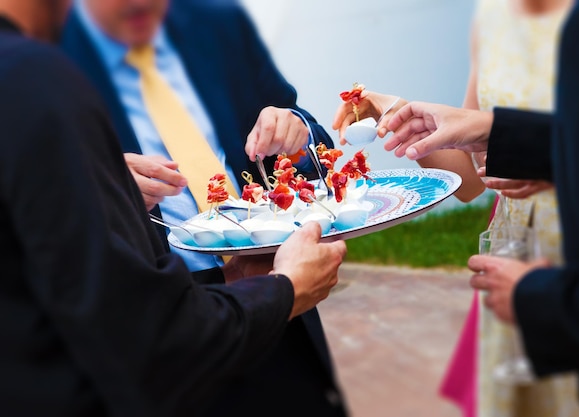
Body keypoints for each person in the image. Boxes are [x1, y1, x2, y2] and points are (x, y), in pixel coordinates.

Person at [0, 1, 348, 416]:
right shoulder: (42, 64)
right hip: (165, 337)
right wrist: (102, 180)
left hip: (270, 302)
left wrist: (298, 129)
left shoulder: (218, 23)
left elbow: (308, 136)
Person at [368, 0, 579, 415]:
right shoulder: (492, 16)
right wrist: (404, 120)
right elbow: (472, 179)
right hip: (515, 260)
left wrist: (538, 297)